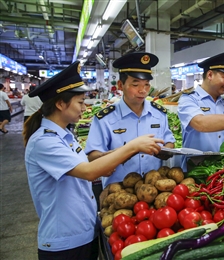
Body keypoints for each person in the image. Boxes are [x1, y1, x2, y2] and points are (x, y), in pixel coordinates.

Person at [23, 61, 163, 260]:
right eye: (80, 102)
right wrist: (132, 146)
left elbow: (89, 166)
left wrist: (115, 159)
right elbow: (88, 172)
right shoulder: (44, 141)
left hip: (84, 232)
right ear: (61, 104)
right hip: (64, 242)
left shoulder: (66, 136)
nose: (84, 107)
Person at [85, 52, 175, 188]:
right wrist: (124, 153)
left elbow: (169, 142)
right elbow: (92, 156)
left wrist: (164, 150)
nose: (143, 90)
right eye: (135, 84)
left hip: (153, 190)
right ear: (120, 85)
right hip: (118, 191)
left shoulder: (159, 113)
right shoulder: (105, 118)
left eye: (146, 84)